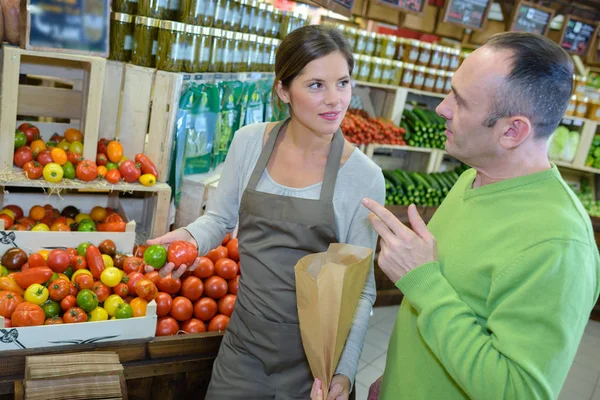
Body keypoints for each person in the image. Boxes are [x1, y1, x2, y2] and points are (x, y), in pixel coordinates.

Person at [147, 25, 385, 399]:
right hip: (244, 348)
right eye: (316, 85)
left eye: (343, 82)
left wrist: (345, 371)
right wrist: (190, 237)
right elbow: (220, 219)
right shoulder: (248, 143)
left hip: (315, 361)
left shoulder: (363, 178)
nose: (335, 100)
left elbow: (361, 289)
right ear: (282, 90)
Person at [363, 32, 600, 399]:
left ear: (512, 131)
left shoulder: (559, 246)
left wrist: (423, 281)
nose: (441, 108)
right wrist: (395, 378)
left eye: (460, 101)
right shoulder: (473, 178)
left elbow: (517, 391)